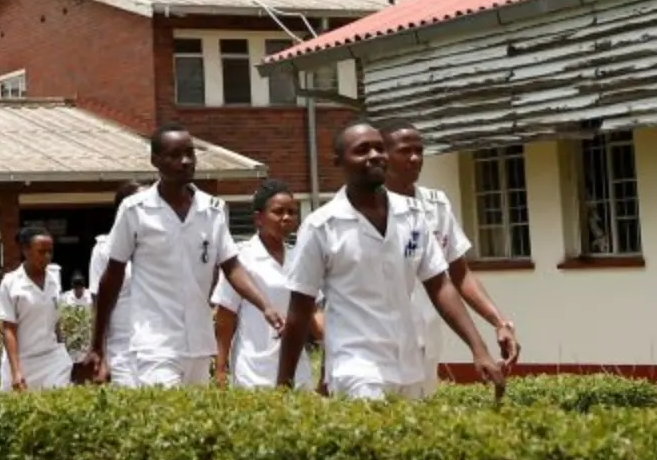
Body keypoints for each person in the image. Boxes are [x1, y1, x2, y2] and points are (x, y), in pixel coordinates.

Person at [278, 122, 505, 402]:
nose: (374, 155)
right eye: (362, 150)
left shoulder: (412, 215)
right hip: (356, 366)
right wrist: (283, 387)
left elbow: (440, 285)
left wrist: (478, 348)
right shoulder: (321, 227)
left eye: (379, 148)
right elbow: (299, 311)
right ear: (339, 162)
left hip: (409, 363)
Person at [91, 127, 283, 388]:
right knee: (167, 419)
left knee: (195, 422)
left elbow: (232, 266)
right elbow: (112, 277)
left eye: (190, 153)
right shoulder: (135, 210)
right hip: (155, 344)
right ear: (155, 161)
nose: (185, 161)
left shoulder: (213, 210)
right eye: (174, 155)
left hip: (199, 343)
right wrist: (97, 343)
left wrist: (265, 306)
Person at [383, 124, 523, 377]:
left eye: (419, 151)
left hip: (427, 334)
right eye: (405, 151)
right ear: (383, 155)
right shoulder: (366, 209)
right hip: (380, 339)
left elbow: (459, 274)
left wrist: (499, 322)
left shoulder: (435, 204)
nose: (415, 158)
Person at [213, 178, 323, 390]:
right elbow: (225, 317)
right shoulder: (241, 259)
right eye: (278, 212)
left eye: (292, 212)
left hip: (297, 371)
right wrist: (220, 369)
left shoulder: (300, 258)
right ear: (258, 218)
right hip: (254, 371)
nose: (286, 218)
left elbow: (313, 313)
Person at [0, 225, 75, 392]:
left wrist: (63, 349)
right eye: (41, 251)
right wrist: (16, 371)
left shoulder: (54, 278)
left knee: (59, 404)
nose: (47, 257)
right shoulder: (10, 283)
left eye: (50, 252)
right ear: (26, 250)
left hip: (52, 358)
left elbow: (55, 319)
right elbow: (8, 329)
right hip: (22, 361)